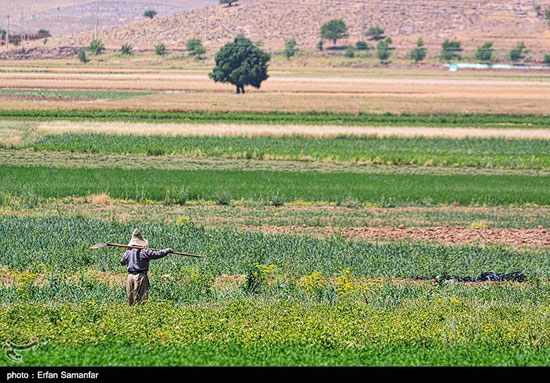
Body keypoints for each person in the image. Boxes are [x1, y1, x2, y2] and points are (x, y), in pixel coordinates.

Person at [120, 229, 173, 306]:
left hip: (130, 277)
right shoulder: (144, 251)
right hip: (140, 277)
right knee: (140, 299)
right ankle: (139, 314)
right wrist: (168, 250)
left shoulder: (128, 252)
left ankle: (132, 313)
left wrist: (127, 252)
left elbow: (122, 262)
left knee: (131, 299)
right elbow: (157, 254)